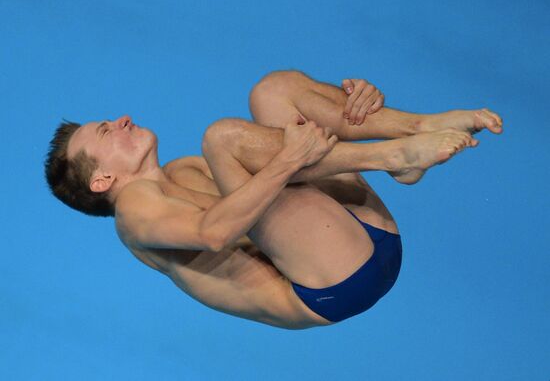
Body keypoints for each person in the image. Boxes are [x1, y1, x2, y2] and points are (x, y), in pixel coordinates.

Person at [45, 71, 502, 329]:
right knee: (222, 137)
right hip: (331, 284)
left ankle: (414, 131)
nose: (121, 119)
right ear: (102, 179)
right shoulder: (134, 215)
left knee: (275, 91)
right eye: (106, 130)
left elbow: (303, 167)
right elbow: (215, 232)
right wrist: (296, 157)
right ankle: (396, 154)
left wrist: (351, 115)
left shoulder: (183, 169)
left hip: (357, 238)